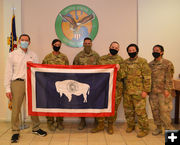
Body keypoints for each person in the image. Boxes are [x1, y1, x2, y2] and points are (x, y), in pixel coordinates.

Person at [4, 34, 47, 143]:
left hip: (31, 83)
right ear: (18, 41)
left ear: (29, 42)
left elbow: (37, 71)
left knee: (33, 106)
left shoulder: (33, 55)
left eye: (26, 40)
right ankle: (15, 131)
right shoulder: (12, 55)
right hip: (17, 83)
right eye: (22, 40)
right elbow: (8, 72)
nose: (24, 42)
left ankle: (36, 128)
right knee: (16, 108)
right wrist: (7, 89)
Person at [91, 41, 125, 134]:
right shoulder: (101, 59)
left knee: (113, 108)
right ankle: (100, 125)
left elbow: (122, 76)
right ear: (109, 47)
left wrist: (119, 70)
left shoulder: (121, 60)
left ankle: (110, 125)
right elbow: (96, 73)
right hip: (103, 88)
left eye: (116, 48)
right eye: (113, 47)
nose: (114, 49)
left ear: (118, 49)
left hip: (116, 89)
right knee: (100, 106)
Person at [123, 44, 151, 138]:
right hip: (127, 92)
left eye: (133, 50)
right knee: (128, 111)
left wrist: (146, 91)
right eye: (129, 50)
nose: (131, 52)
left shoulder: (142, 61)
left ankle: (144, 129)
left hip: (139, 92)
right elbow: (122, 76)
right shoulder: (125, 62)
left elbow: (147, 77)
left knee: (140, 112)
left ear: (137, 50)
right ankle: (131, 126)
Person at [73, 37, 100, 130]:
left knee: (95, 102)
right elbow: (74, 69)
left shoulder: (96, 56)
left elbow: (101, 69)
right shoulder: (78, 56)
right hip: (81, 84)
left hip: (94, 84)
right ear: (83, 44)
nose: (87, 45)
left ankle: (97, 121)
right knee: (82, 103)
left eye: (89, 43)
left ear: (91, 44)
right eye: (86, 43)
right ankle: (82, 121)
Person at [42, 39, 69, 131]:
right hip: (50, 85)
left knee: (60, 103)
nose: (57, 46)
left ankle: (60, 122)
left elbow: (68, 71)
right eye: (55, 44)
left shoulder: (64, 57)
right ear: (52, 45)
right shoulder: (47, 57)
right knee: (50, 104)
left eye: (59, 45)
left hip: (62, 85)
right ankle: (50, 122)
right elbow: (42, 70)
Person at [149, 45, 174, 135]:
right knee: (155, 111)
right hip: (153, 93)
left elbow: (169, 78)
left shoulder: (167, 63)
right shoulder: (150, 64)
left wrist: (167, 90)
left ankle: (169, 130)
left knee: (164, 112)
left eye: (157, 50)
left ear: (162, 52)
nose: (155, 51)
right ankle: (158, 127)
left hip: (163, 92)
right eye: (153, 50)